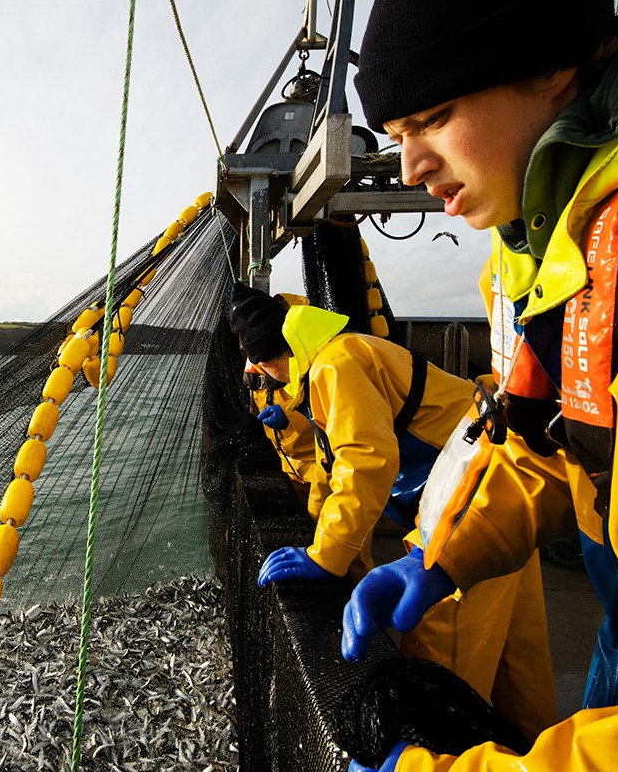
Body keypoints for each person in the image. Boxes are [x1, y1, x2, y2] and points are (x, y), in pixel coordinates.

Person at [342, 0, 618, 769]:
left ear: (549, 66)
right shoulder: (536, 260)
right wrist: (437, 557)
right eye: (397, 131)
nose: (408, 167)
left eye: (433, 117)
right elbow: (547, 444)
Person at [229, 283, 557, 741]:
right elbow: (333, 465)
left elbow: (365, 460)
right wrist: (322, 543)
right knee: (519, 657)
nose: (256, 374)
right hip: (501, 492)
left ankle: (444, 756)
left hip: (466, 509)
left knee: (440, 656)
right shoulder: (331, 359)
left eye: (256, 363)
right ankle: (532, 745)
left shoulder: (335, 368)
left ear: (271, 357)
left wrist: (327, 555)